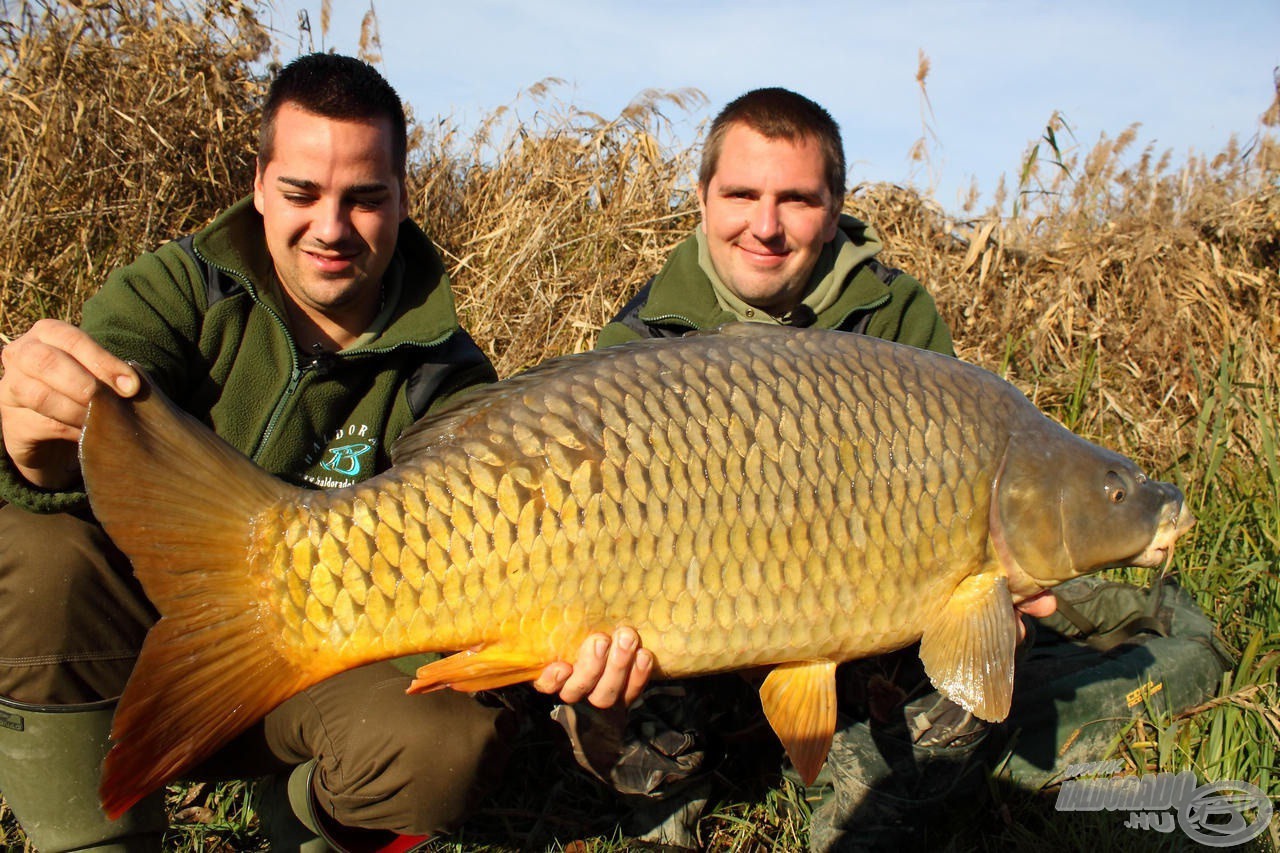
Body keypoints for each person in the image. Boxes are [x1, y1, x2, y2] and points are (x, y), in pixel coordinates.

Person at [0, 53, 649, 853]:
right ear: (261, 183)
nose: (331, 228)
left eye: (366, 199)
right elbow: (64, 466)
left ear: (405, 198)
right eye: (303, 193)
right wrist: (30, 449)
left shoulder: (451, 376)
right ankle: (93, 836)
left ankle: (302, 822)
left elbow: (452, 626)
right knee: (32, 548)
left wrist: (558, 652)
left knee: (444, 742)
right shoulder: (177, 293)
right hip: (133, 641)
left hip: (314, 676)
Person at [585, 87, 1228, 853]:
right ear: (700, 197)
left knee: (984, 657)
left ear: (835, 205)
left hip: (858, 636)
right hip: (684, 628)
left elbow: (947, 546)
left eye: (795, 198)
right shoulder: (634, 342)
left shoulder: (897, 320)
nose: (765, 224)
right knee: (591, 676)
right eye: (741, 194)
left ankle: (867, 797)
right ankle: (670, 793)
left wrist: (994, 606)